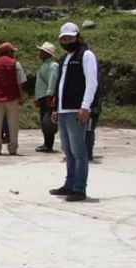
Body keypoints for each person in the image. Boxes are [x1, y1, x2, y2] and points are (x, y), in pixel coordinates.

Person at [50, 22, 98, 202]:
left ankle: (79, 188)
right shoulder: (64, 58)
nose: (67, 41)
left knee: (79, 151)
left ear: (78, 36)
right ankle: (69, 183)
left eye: (70, 38)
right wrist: (56, 108)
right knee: (67, 150)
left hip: (77, 110)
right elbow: (60, 84)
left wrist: (85, 106)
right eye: (63, 38)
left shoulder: (86, 55)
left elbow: (92, 82)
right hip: (63, 110)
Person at [0, 42, 26, 156]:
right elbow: (20, 81)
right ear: (8, 52)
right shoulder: (15, 64)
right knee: (13, 124)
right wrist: (21, 97)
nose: (13, 54)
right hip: (12, 98)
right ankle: (12, 148)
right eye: (12, 51)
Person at [34, 41, 60, 153]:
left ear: (47, 53)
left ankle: (48, 144)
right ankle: (46, 143)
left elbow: (52, 82)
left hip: (47, 97)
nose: (39, 53)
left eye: (42, 51)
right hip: (42, 97)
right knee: (44, 121)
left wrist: (49, 97)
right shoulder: (45, 65)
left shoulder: (53, 66)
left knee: (48, 121)